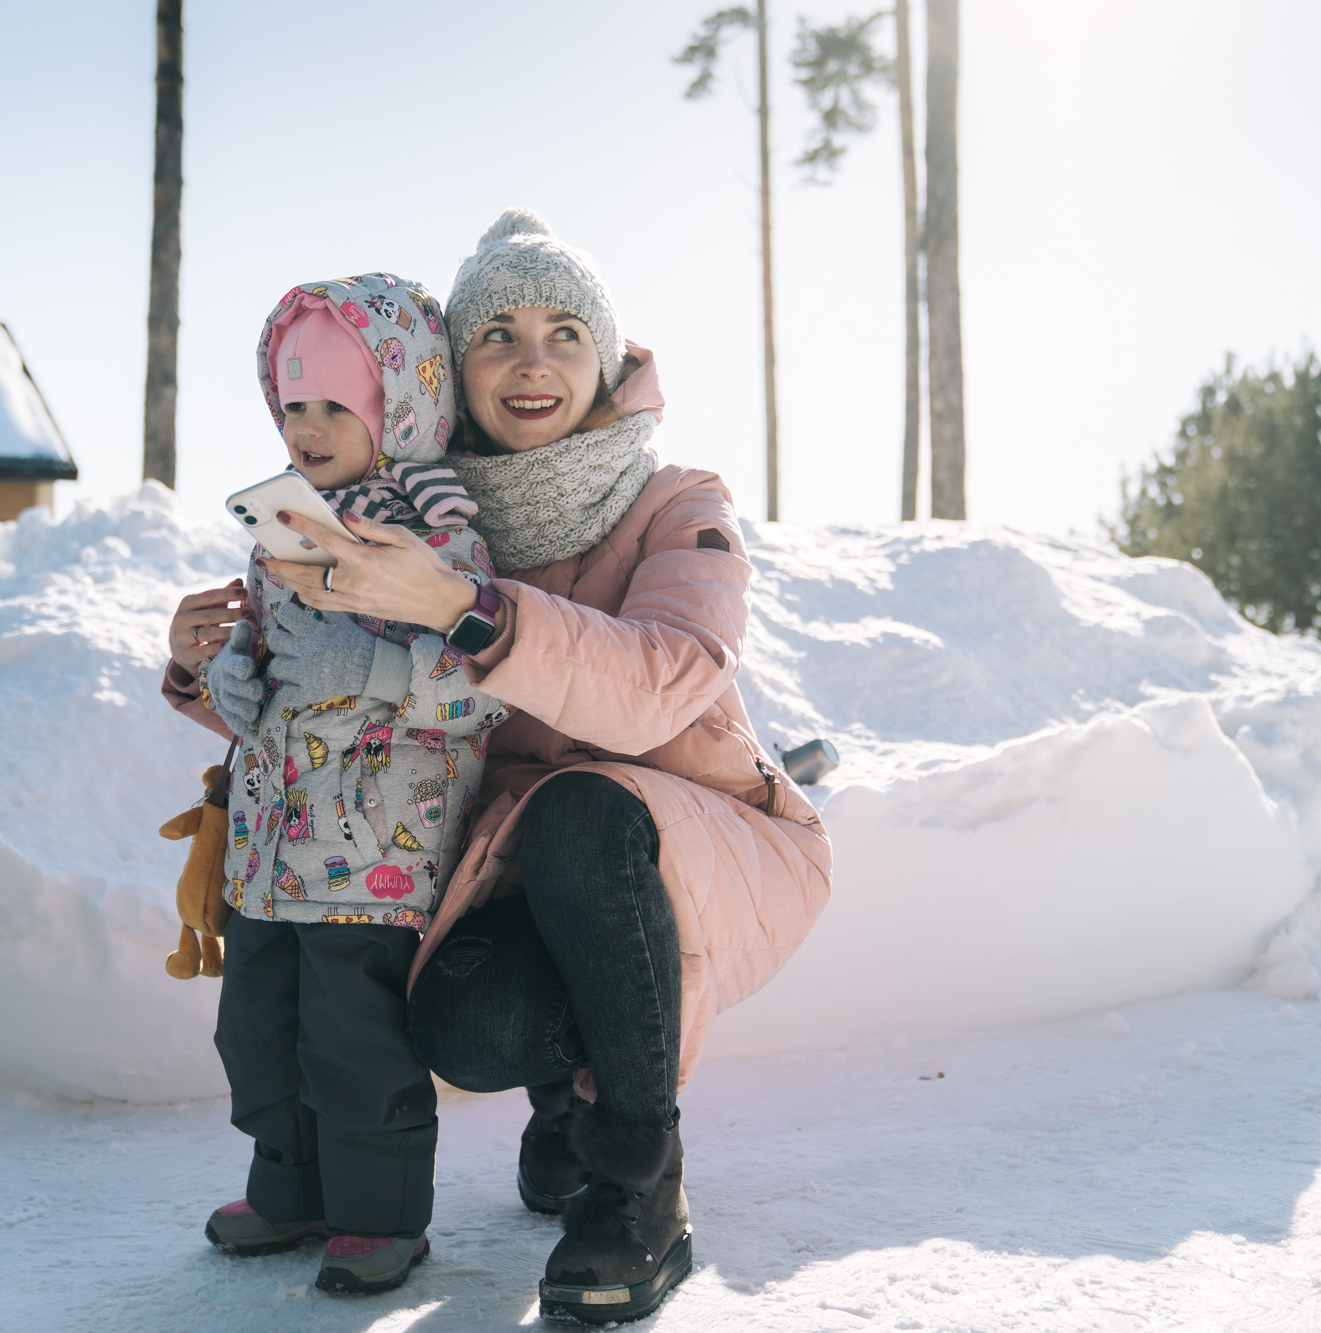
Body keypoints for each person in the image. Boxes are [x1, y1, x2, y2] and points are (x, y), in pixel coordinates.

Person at [169, 210, 831, 1325]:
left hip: (687, 846)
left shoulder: (678, 505)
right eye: (497, 335)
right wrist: (205, 667)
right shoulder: (410, 510)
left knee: (582, 809)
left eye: (564, 330)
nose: (531, 360)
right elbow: (336, 714)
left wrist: (463, 608)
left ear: (607, 359)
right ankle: (563, 1111)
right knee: (451, 1020)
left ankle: (635, 1182)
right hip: (509, 866)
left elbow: (663, 679)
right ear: (449, 374)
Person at [167, 273, 510, 1296]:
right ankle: (290, 1184)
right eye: (293, 405)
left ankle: (377, 1215)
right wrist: (233, 671)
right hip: (272, 851)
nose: (307, 428)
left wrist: (369, 670)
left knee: (352, 1038)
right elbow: (273, 681)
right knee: (256, 1027)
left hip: (374, 849)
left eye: (335, 406)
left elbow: (483, 688)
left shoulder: (436, 536)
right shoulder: (283, 527)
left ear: (397, 407)